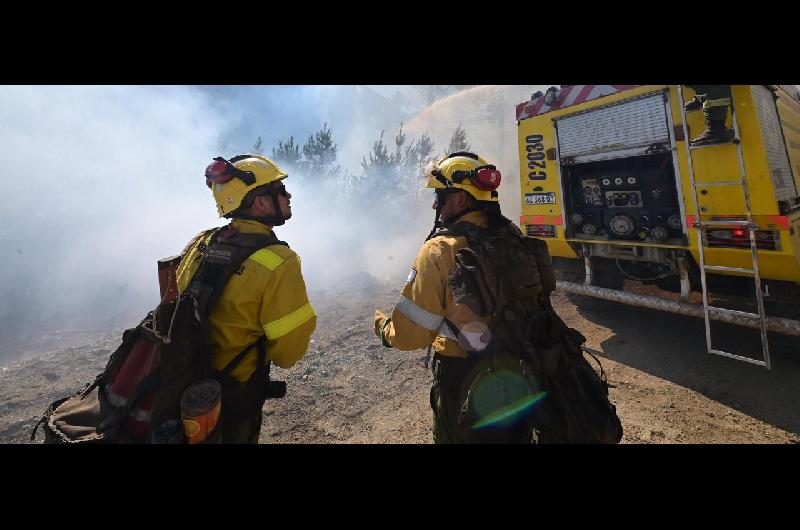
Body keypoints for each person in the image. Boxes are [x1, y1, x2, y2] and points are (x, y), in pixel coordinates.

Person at [373, 152, 552, 444]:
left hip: (464, 376)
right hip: (521, 367)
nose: (435, 205)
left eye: (439, 196)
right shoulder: (513, 236)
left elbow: (412, 335)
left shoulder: (440, 250)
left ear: (459, 199)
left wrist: (385, 329)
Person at [175, 154, 316, 443]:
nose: (288, 196)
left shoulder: (202, 242)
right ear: (260, 202)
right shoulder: (280, 261)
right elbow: (289, 354)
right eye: (280, 190)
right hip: (233, 397)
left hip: (181, 381)